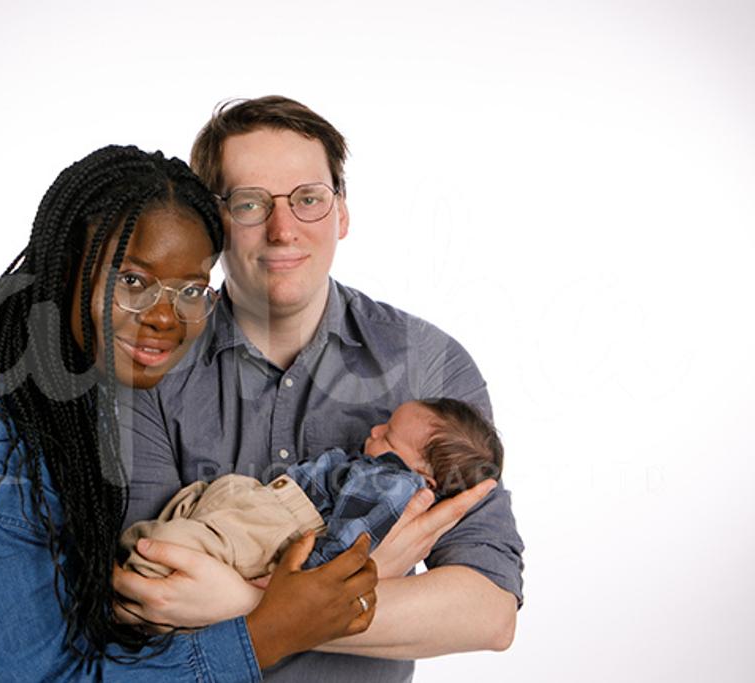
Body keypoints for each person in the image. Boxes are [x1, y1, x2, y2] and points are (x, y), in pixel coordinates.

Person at [0, 145, 379, 682]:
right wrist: (268, 632)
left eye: (192, 290)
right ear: (67, 267)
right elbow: (42, 675)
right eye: (133, 280)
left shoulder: (70, 390)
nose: (166, 318)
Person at [112, 97, 526, 682]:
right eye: (251, 203)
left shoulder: (430, 366)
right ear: (213, 223)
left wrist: (252, 605)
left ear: (342, 214)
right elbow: (140, 591)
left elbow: (486, 611)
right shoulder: (149, 357)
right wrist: (368, 581)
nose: (284, 230)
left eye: (308, 199)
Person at [122, 398, 503, 580]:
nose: (374, 431)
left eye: (388, 436)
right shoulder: (386, 476)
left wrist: (286, 586)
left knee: (172, 547)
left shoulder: (391, 484)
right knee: (180, 526)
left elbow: (345, 549)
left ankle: (138, 579)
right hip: (264, 503)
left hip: (276, 523)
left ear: (426, 479)